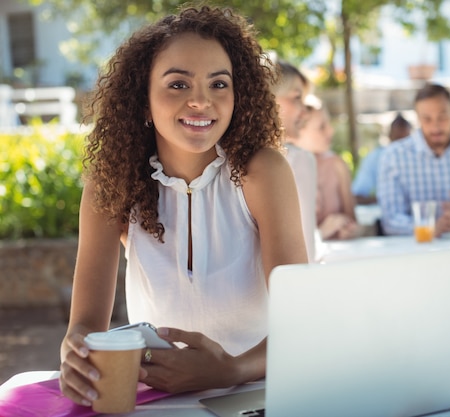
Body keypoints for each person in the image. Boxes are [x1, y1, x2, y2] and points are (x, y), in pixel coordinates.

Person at [59, 4, 308, 407]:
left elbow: (304, 321)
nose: (200, 102)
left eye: (218, 84)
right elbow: (85, 326)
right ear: (142, 100)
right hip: (160, 401)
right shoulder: (112, 182)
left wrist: (231, 369)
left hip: (261, 393)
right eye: (178, 85)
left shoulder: (262, 172)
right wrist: (75, 353)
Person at [377, 83, 450, 236]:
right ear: (417, 119)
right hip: (416, 256)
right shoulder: (393, 157)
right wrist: (429, 229)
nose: (435, 127)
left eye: (442, 117)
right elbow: (391, 220)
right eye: (427, 119)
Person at [293, 95, 360, 240]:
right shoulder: (285, 169)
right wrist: (321, 233)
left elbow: (354, 223)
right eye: (321, 127)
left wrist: (348, 229)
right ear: (298, 131)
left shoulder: (336, 165)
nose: (331, 131)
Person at [271, 61, 319, 260]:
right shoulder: (298, 160)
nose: (305, 111)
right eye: (296, 97)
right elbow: (306, 252)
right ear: (267, 97)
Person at [352, 112, 412, 205]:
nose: (401, 146)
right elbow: (357, 196)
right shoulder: (375, 158)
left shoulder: (420, 159)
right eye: (397, 139)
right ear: (389, 137)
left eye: (405, 141)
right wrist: (386, 199)